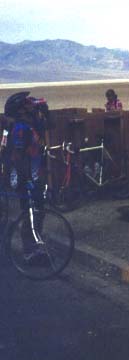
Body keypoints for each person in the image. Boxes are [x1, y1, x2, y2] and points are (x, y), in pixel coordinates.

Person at [4, 91, 50, 265]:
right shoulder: (20, 129)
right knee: (29, 214)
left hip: (34, 175)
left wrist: (45, 111)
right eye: (27, 105)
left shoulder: (31, 125)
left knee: (38, 212)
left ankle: (35, 246)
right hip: (25, 177)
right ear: (21, 110)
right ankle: (28, 252)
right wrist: (28, 180)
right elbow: (18, 157)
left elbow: (50, 125)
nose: (32, 106)